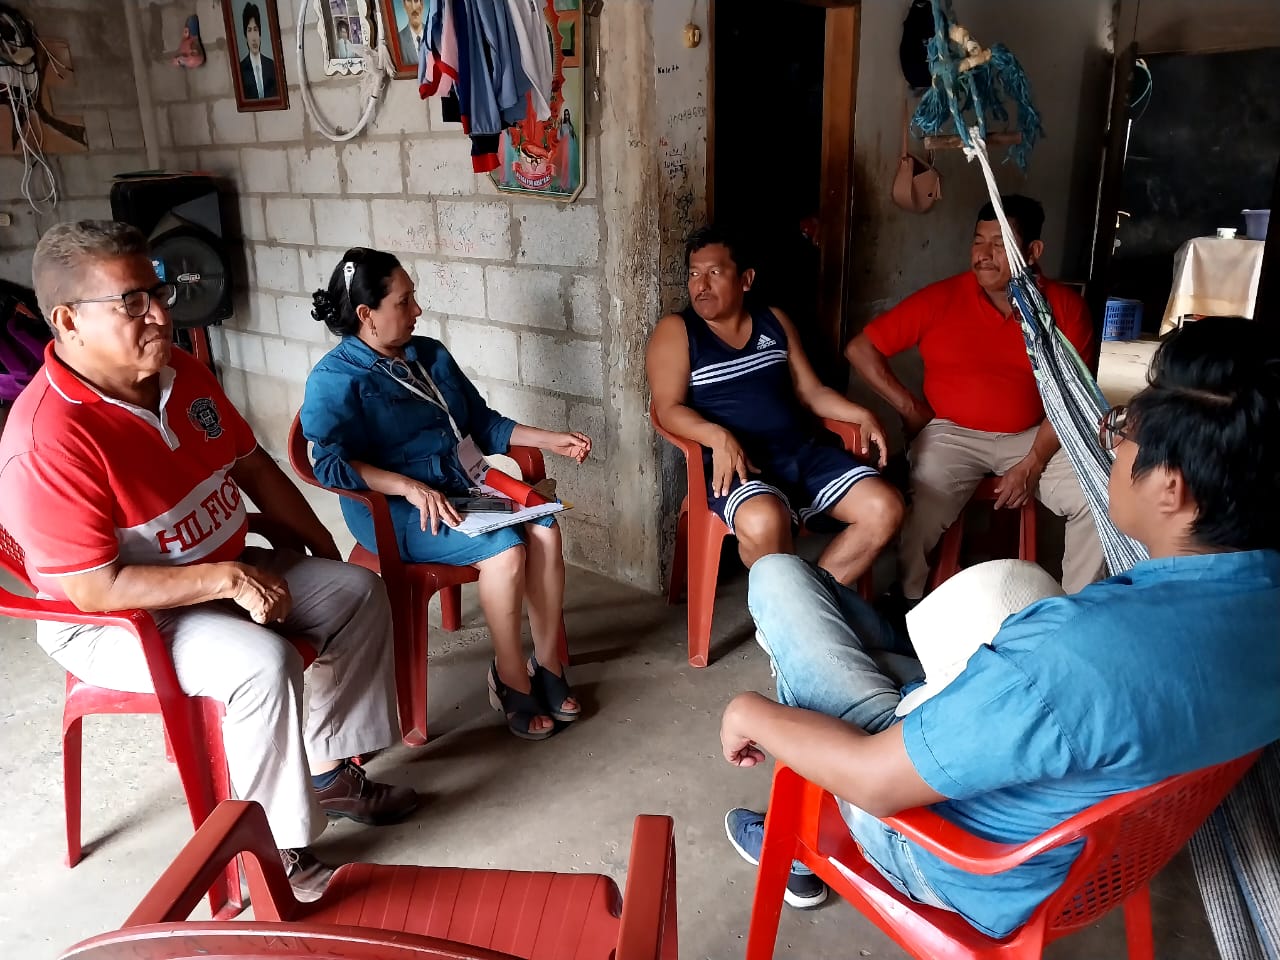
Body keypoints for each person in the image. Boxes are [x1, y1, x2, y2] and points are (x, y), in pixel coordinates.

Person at [720, 315, 1280, 930]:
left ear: (1171, 488)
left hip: (954, 857)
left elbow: (874, 780)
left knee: (778, 579)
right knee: (841, 616)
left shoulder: (1075, 653)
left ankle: (799, 832)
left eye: (1124, 430)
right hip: (1091, 853)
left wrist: (750, 714)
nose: (1111, 444)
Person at [0, 221, 419, 903]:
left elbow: (251, 464)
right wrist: (228, 577)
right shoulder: (48, 438)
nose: (160, 315)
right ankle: (271, 853)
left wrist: (315, 544)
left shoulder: (179, 372)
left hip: (214, 569)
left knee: (356, 592)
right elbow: (96, 589)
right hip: (116, 618)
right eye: (131, 302)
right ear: (69, 321)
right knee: (262, 664)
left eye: (157, 292)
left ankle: (327, 774)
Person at [300, 247, 591, 742]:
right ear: (367, 314)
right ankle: (510, 677)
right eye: (404, 302)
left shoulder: (429, 354)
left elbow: (481, 424)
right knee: (506, 551)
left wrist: (550, 439)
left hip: (459, 488)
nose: (417, 310)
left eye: (413, 298)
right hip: (394, 510)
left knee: (545, 527)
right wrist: (406, 486)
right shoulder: (336, 378)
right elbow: (328, 463)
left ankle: (547, 664)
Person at [845, 195, 1105, 603]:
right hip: (953, 434)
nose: (983, 255)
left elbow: (1071, 398)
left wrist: (1033, 462)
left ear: (1033, 251)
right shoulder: (941, 299)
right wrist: (910, 408)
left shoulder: (1065, 309)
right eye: (978, 241)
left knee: (1097, 493)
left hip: (1035, 435)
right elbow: (860, 349)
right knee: (925, 499)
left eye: (999, 244)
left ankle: (1080, 609)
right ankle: (909, 597)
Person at [647, 225, 903, 586]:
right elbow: (667, 408)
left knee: (885, 508)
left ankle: (812, 599)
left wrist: (861, 413)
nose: (700, 285)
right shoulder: (678, 331)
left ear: (746, 280)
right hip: (738, 467)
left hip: (801, 455)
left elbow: (811, 392)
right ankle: (798, 608)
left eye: (714, 273)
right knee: (764, 521)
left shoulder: (774, 321)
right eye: (694, 274)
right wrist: (717, 436)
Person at [239, 2, 278, 100]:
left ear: (260, 33)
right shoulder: (241, 69)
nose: (253, 38)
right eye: (249, 30)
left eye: (255, 29)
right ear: (245, 36)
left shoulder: (271, 65)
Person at [398, 0, 425, 65]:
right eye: (409, 1)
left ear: (421, 4)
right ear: (404, 5)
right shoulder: (398, 40)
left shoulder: (436, 35)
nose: (414, 7)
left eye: (416, 0)